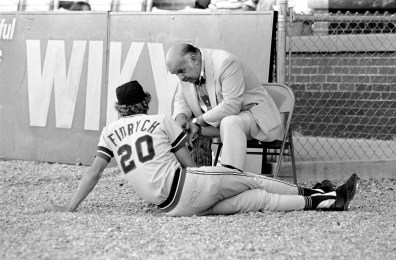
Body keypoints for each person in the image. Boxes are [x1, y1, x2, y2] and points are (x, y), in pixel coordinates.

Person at [44, 80, 358, 217]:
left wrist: (70, 207)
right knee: (251, 180)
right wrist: (213, 179)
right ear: (145, 102)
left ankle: (326, 202)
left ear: (119, 108)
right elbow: (188, 161)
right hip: (187, 183)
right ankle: (321, 192)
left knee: (255, 201)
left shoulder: (110, 131)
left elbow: (94, 174)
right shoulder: (159, 119)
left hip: (173, 209)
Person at [165, 43, 283, 172]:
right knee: (181, 129)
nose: (181, 78)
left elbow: (232, 105)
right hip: (218, 123)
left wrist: (196, 122)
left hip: (256, 119)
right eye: (177, 74)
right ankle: (193, 179)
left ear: (194, 59)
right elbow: (181, 100)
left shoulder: (226, 63)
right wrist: (180, 120)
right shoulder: (187, 72)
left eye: (181, 71)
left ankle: (230, 177)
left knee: (230, 121)